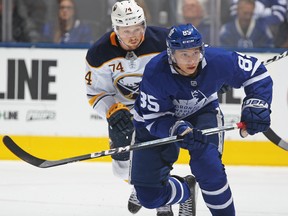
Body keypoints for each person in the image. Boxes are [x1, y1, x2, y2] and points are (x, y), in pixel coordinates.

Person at [130, 23, 272, 216]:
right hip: (156, 123)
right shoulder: (156, 72)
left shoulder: (216, 59)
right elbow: (154, 119)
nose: (191, 60)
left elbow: (256, 71)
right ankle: (185, 192)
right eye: (184, 54)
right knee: (149, 195)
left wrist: (256, 104)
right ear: (171, 54)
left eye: (195, 52)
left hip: (201, 113)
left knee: (209, 169)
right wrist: (178, 129)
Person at [84, 0, 186, 215]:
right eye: (126, 30)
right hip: (125, 111)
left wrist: (213, 75)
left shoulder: (164, 40)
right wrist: (112, 111)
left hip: (161, 107)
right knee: (121, 169)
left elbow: (196, 55)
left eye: (137, 29)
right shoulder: (99, 53)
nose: (133, 35)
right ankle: (142, 186)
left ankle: (162, 196)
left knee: (160, 156)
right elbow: (96, 93)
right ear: (116, 29)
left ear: (144, 25)